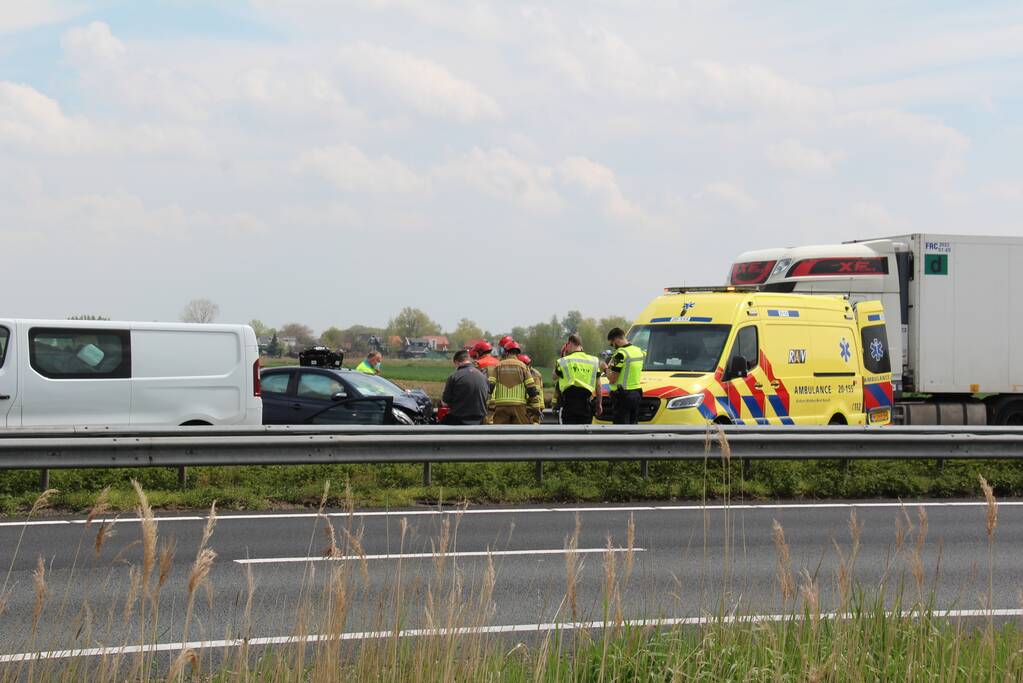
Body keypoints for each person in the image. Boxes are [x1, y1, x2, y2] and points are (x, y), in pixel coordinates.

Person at [554, 333, 603, 424]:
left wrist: (563, 356)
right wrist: (599, 404)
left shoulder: (564, 361)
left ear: (569, 343)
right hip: (586, 405)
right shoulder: (594, 361)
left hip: (569, 405)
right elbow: (599, 386)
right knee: (585, 431)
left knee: (568, 431)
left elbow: (554, 377)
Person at [486, 340, 537, 424]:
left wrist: (488, 406)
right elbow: (531, 389)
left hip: (501, 406)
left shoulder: (498, 366)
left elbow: (490, 388)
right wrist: (534, 407)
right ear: (518, 353)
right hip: (519, 406)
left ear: (506, 352)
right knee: (519, 431)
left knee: (500, 431)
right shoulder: (523, 366)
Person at [605, 327, 644, 424]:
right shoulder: (638, 351)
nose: (613, 347)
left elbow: (612, 379)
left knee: (621, 428)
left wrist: (605, 369)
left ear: (616, 340)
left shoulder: (620, 354)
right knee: (633, 426)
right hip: (637, 393)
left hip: (623, 396)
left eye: (612, 344)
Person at [440, 350, 490, 425]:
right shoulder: (483, 376)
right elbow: (486, 397)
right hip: (480, 420)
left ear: (456, 362)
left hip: (459, 420)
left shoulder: (454, 377)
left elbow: (445, 403)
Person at [517, 354, 545, 424]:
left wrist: (537, 408)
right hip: (533, 406)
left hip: (533, 407)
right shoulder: (528, 373)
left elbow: (535, 393)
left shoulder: (534, 375)